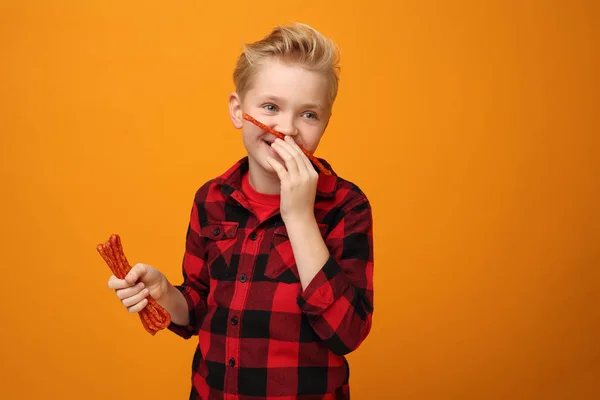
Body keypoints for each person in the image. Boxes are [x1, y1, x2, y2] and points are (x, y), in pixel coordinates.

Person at [107, 22, 374, 399]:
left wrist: (299, 217)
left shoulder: (346, 206)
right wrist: (166, 293)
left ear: (326, 122)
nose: (288, 129)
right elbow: (198, 312)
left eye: (309, 114)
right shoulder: (211, 200)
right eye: (270, 107)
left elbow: (347, 332)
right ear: (238, 110)